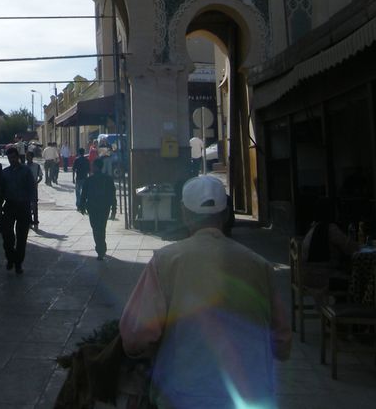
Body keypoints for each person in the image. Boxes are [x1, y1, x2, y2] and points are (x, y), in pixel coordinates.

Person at [119, 175, 292, 408]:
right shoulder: (259, 265)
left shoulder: (166, 262)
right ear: (226, 215)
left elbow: (135, 335)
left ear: (184, 212)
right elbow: (281, 343)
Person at [301, 198, 359, 295]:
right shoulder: (330, 229)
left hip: (306, 276)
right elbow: (350, 248)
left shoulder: (313, 228)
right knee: (357, 282)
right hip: (323, 279)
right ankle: (345, 308)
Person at [0, 147, 33, 274]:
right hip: (9, 206)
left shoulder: (26, 171)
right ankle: (10, 257)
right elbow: (1, 192)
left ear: (18, 157)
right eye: (9, 158)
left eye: (13, 157)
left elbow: (31, 189)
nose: (12, 160)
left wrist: (32, 206)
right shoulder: (5, 173)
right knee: (7, 235)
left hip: (23, 206)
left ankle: (18, 263)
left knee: (22, 237)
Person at [78, 157, 116, 260]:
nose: (91, 167)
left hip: (93, 208)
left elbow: (83, 195)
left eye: (92, 166)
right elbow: (113, 195)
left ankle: (100, 249)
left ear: (95, 167)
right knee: (101, 227)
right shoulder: (108, 179)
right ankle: (101, 248)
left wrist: (81, 206)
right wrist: (114, 209)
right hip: (104, 207)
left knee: (95, 228)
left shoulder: (89, 180)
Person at [24, 150, 42, 228]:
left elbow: (41, 176)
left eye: (29, 157)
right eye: (27, 157)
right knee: (26, 205)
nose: (28, 158)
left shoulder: (37, 166)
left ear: (32, 157)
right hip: (25, 188)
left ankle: (35, 221)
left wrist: (36, 182)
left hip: (34, 187)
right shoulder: (23, 166)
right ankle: (29, 220)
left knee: (34, 205)